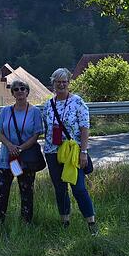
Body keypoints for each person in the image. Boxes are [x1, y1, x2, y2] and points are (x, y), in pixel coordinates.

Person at [41, 68, 98, 234]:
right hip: (53, 151)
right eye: (58, 81)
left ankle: (91, 223)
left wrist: (84, 152)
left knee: (78, 188)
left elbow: (84, 128)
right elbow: (46, 128)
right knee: (60, 189)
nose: (61, 84)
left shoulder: (78, 102)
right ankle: (65, 222)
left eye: (64, 81)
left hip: (73, 152)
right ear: (53, 84)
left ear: (69, 83)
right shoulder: (48, 105)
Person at [0, 79, 43, 223]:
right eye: (16, 89)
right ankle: (0, 221)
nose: (20, 91)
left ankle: (26, 222)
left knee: (26, 190)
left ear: (27, 92)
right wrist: (10, 146)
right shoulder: (5, 111)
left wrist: (20, 148)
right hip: (8, 159)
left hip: (24, 159)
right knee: (2, 191)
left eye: (23, 88)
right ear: (12, 93)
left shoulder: (34, 112)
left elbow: (36, 135)